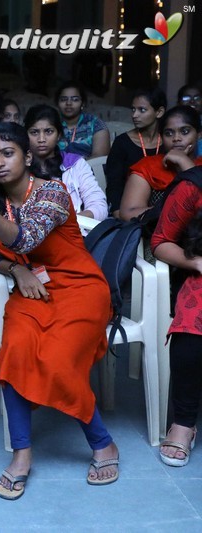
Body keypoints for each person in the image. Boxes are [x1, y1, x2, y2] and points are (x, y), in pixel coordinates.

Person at [0, 122, 119, 500]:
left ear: (28, 157)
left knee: (58, 359)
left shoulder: (52, 192)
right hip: (31, 290)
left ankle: (102, 443)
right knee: (14, 349)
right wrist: (16, 269)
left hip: (79, 289)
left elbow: (25, 236)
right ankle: (22, 454)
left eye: (8, 153)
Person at [152, 168, 202, 468]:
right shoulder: (192, 186)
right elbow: (160, 242)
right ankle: (183, 422)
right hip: (196, 273)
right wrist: (197, 262)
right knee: (193, 323)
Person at [118, 106, 202, 222]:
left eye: (185, 131)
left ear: (199, 134)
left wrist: (185, 164)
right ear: (161, 137)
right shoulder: (148, 166)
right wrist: (173, 212)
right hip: (157, 234)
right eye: (169, 133)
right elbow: (128, 212)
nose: (176, 138)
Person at [25, 104, 107, 221]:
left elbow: (99, 206)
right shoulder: (19, 167)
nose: (41, 139)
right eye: (34, 132)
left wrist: (70, 225)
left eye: (48, 132)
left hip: (74, 232)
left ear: (59, 135)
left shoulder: (75, 164)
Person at [106, 88, 166, 217]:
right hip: (129, 211)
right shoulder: (122, 142)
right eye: (133, 109)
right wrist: (119, 214)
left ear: (159, 112)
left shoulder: (168, 141)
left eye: (142, 110)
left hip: (162, 212)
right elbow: (114, 184)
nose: (134, 115)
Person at [55, 82, 110, 159]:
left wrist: (78, 167)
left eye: (75, 99)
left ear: (83, 103)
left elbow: (99, 158)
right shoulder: (52, 124)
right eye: (63, 99)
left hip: (87, 169)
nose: (68, 103)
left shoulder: (95, 124)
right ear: (58, 103)